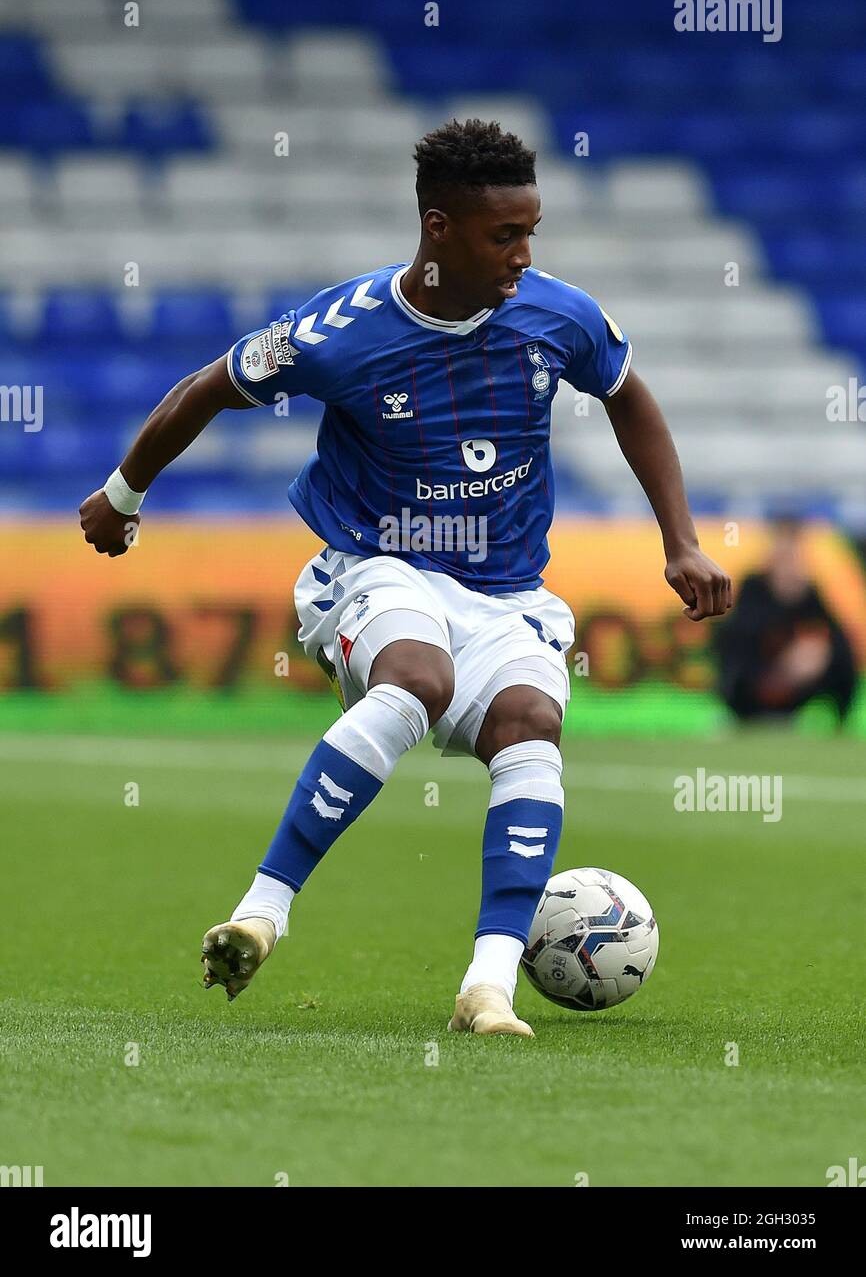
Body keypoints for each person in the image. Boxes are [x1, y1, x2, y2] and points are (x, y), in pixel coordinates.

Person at [79, 119, 732, 1036]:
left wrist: (683, 541)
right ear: (439, 227)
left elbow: (630, 398)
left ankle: (488, 986)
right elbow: (211, 385)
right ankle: (264, 911)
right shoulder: (338, 332)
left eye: (532, 230)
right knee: (419, 680)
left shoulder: (560, 316)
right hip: (374, 565)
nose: (524, 253)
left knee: (530, 723)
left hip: (507, 591)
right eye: (505, 235)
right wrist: (123, 492)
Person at [714, 518, 856, 725]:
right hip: (755, 693)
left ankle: (833, 721)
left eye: (794, 556)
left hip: (798, 697)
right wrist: (785, 661)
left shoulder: (810, 595)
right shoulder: (753, 588)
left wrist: (818, 651)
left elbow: (840, 645)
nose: (788, 565)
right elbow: (736, 641)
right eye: (783, 556)